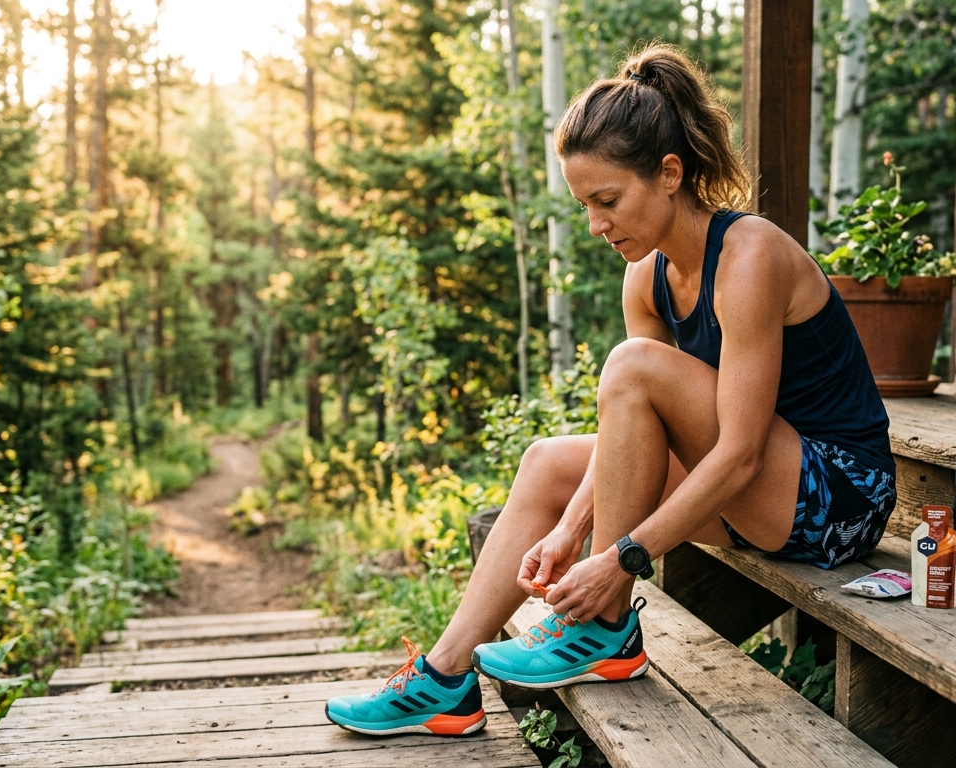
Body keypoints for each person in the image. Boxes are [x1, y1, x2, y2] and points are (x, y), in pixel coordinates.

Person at [324, 43, 896, 737]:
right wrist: (569, 527)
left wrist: (618, 559)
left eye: (608, 201)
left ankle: (605, 624)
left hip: (838, 497)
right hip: (760, 491)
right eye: (586, 206)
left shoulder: (750, 256)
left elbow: (740, 453)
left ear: (668, 174)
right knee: (546, 462)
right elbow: (635, 426)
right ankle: (446, 679)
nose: (597, 225)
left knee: (632, 366)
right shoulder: (647, 276)